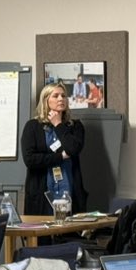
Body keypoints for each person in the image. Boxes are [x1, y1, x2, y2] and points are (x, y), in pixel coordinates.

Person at [21, 82, 86, 216]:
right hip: (41, 193)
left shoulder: (75, 126)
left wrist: (58, 124)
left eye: (63, 96)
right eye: (55, 96)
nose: (61, 99)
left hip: (69, 189)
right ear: (46, 100)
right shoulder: (32, 126)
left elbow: (73, 149)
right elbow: (30, 160)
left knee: (69, 228)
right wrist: (60, 156)